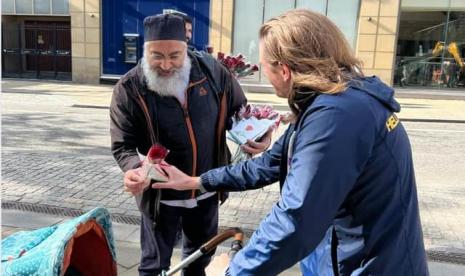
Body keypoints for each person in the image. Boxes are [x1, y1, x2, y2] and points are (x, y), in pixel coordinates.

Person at [152, 9, 429, 275]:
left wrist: (232, 271)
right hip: (342, 257)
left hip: (366, 266)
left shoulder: (336, 116)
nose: (262, 72)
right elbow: (268, 165)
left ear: (284, 70)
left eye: (264, 66)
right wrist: (198, 181)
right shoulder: (331, 104)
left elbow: (296, 220)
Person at [110, 14, 271, 276]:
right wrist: (132, 170)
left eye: (174, 55)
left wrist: (260, 134)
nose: (165, 64)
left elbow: (240, 112)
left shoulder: (212, 71)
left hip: (206, 186)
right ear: (144, 50)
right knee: (153, 265)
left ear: (185, 47)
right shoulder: (129, 88)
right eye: (156, 55)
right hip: (160, 195)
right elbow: (122, 145)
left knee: (199, 257)